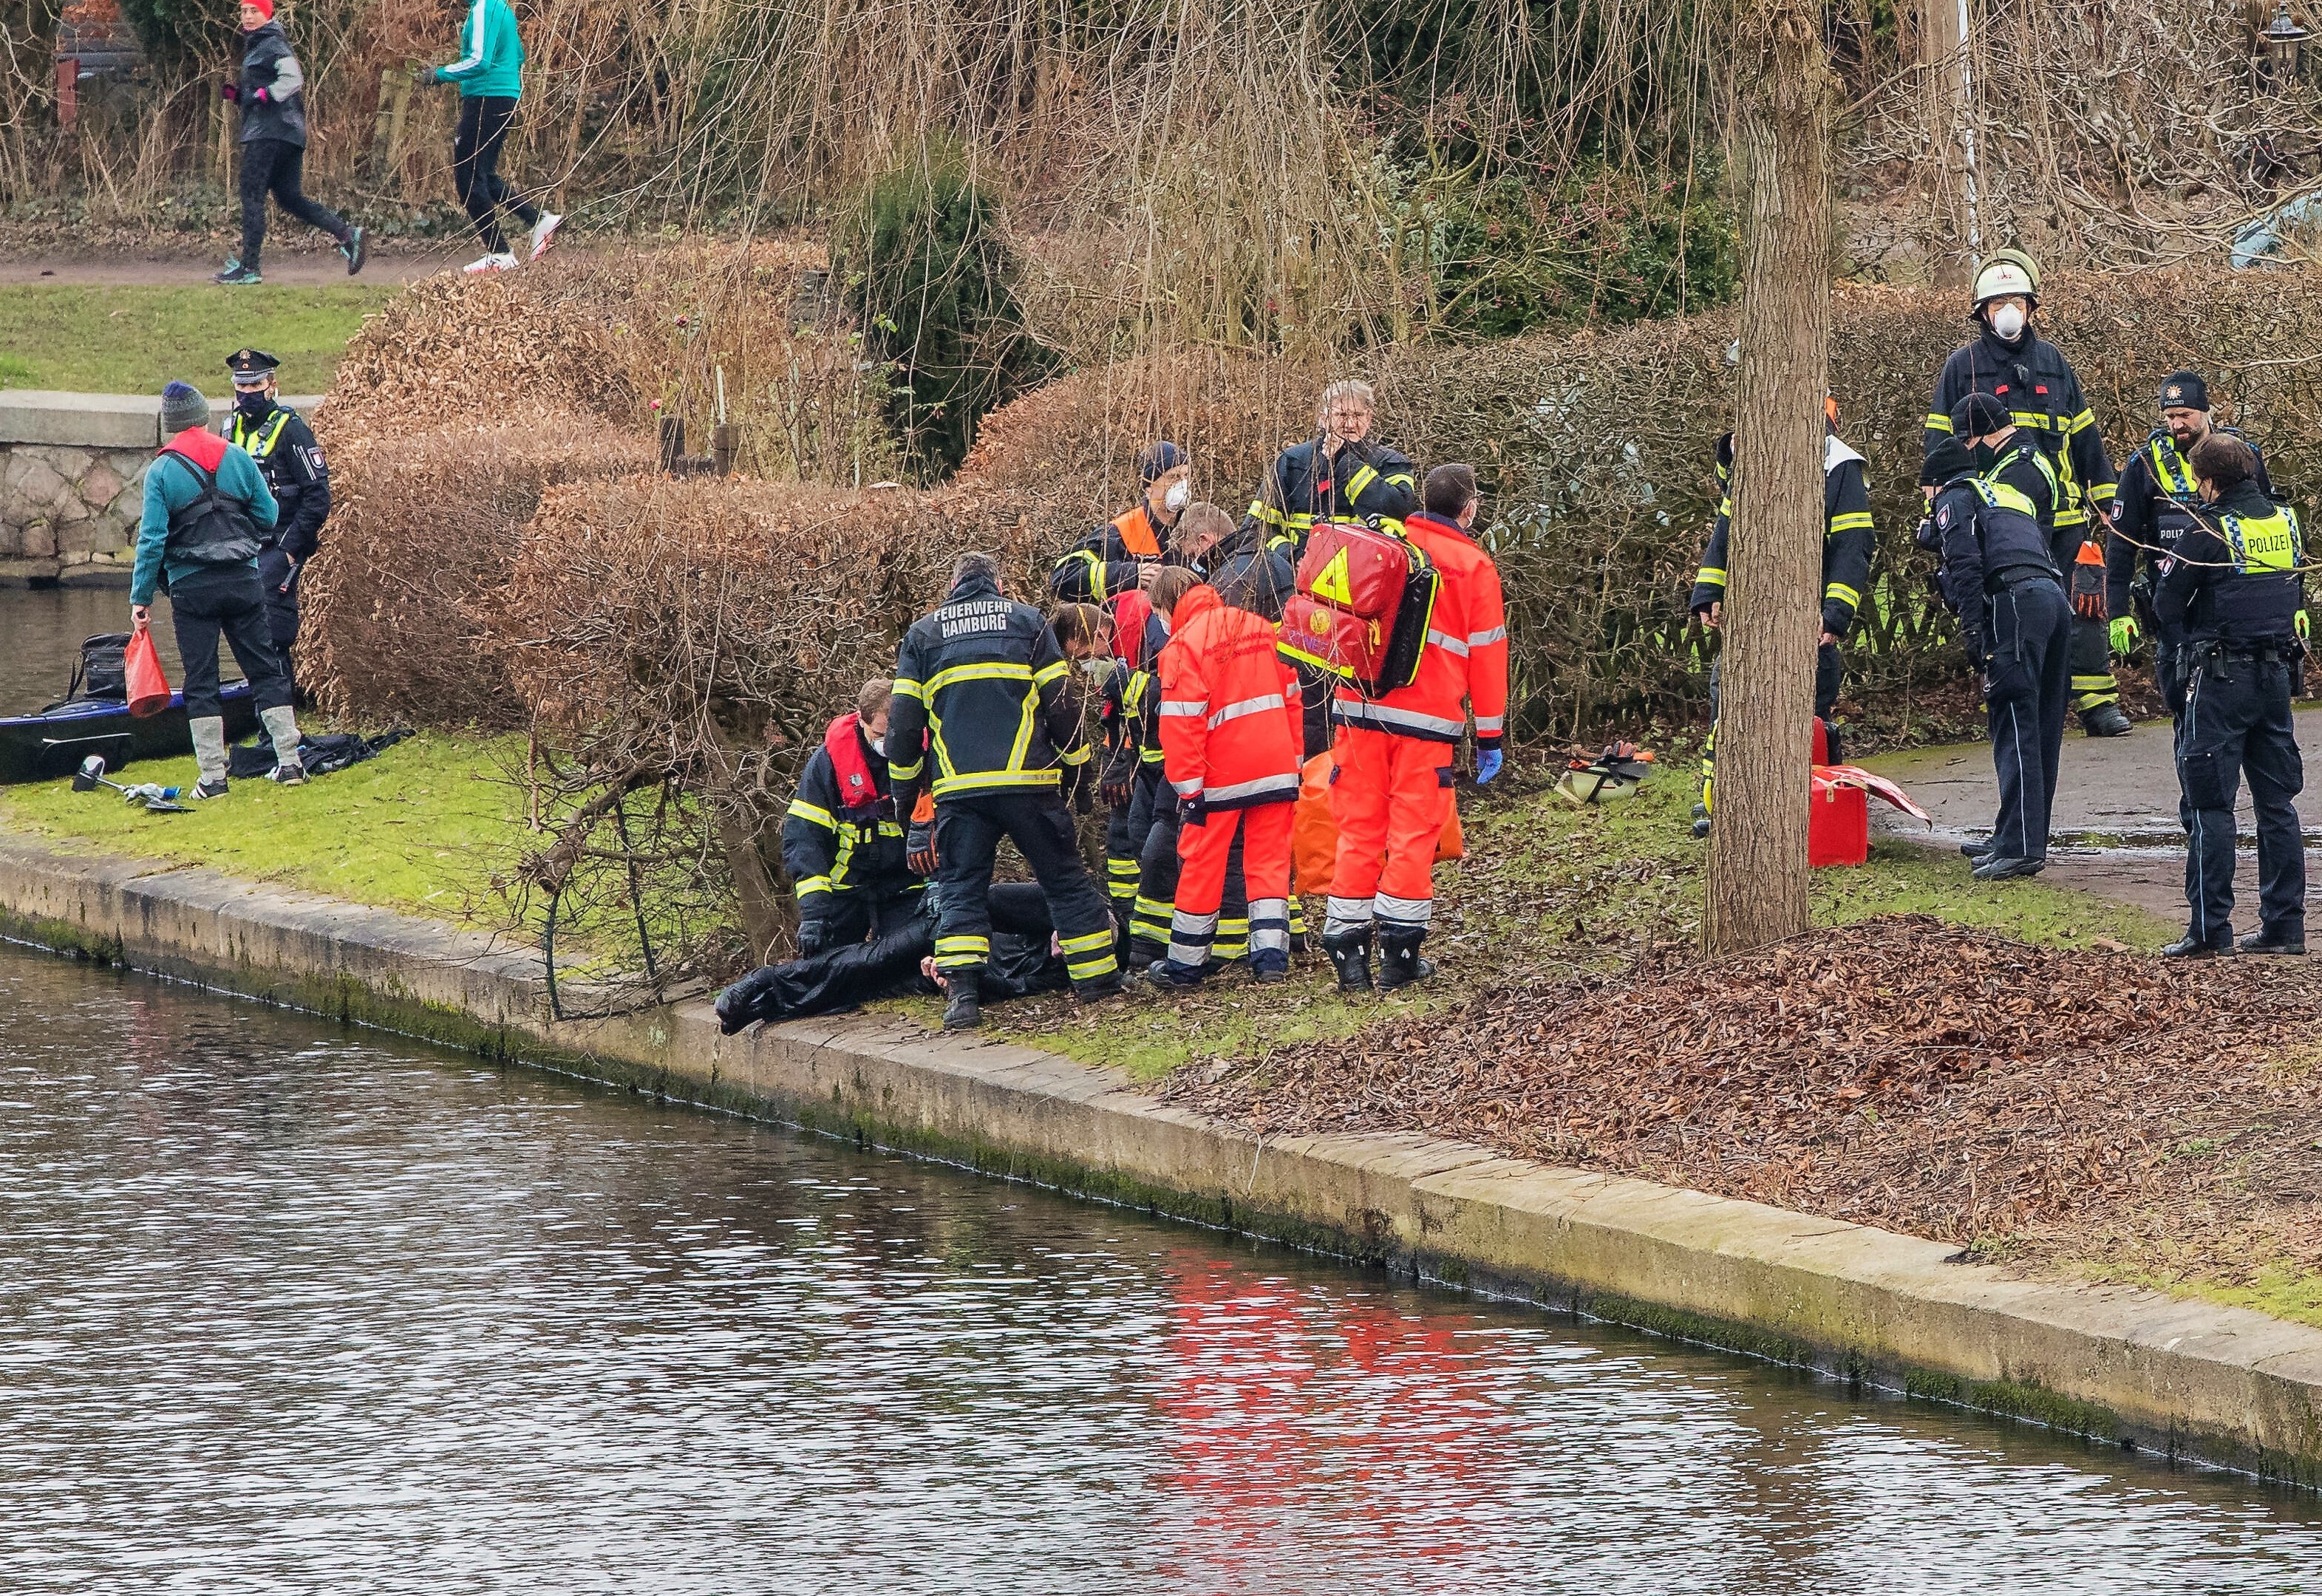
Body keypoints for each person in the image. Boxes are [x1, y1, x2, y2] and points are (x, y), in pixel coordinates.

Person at [886, 551, 1123, 1029]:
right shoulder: (1027, 623)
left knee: (961, 891)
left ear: (953, 586)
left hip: (960, 791)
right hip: (1029, 784)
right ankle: (1098, 984)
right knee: (1065, 882)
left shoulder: (924, 636)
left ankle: (964, 1001)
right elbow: (1062, 706)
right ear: (998, 582)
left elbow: (904, 729)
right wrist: (1078, 778)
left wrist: (904, 796)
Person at [1921, 248, 2126, 736]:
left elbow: (2085, 440)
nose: (2007, 311)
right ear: (1982, 313)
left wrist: (2108, 503)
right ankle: (2028, 700)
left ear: (2031, 307)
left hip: (2064, 516)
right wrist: (1937, 507)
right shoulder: (1962, 367)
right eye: (1996, 303)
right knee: (2016, 608)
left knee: (2084, 603)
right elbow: (1938, 444)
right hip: (2001, 520)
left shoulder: (2053, 364)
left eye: (2015, 300)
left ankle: (2097, 701)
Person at [1323, 464, 1508, 992]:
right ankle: (1399, 956)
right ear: (1468, 508)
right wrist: (1490, 736)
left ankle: (1347, 951)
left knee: (1358, 829)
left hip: (1359, 710)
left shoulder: (1383, 544)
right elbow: (1488, 657)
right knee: (1412, 832)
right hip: (1426, 722)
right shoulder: (1473, 566)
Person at [1686, 402, 1873, 833]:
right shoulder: (1756, 459)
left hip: (1806, 615)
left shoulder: (1839, 468)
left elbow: (1853, 547)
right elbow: (1726, 530)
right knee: (1729, 701)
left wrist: (1834, 615)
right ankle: (1718, 802)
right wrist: (1709, 592)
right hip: (1752, 613)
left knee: (1810, 708)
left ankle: (1813, 802)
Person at [2154, 433, 2307, 958]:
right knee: (2277, 804)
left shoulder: (2207, 529)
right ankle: (2285, 927)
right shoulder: (2285, 522)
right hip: (2276, 678)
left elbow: (2167, 604)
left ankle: (2209, 930)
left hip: (2220, 679)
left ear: (2210, 481)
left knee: (2210, 806)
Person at [129, 383, 307, 796]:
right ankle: (291, 762)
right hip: (245, 582)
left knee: (202, 680)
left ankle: (212, 777)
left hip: (192, 590)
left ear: (170, 424)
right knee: (265, 669)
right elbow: (269, 513)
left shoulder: (161, 471)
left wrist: (141, 598)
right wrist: (246, 542)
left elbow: (152, 539)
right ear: (204, 415)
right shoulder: (238, 456)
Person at [1145, 571, 1304, 989]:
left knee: (1202, 864)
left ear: (1167, 606)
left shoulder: (1182, 647)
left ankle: (1184, 966)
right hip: (1276, 766)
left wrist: (1189, 791)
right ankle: (1271, 959)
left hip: (1220, 777)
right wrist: (1296, 763)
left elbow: (1181, 729)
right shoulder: (1260, 628)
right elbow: (1292, 698)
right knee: (1270, 863)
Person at [1924, 435, 2069, 881]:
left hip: (2013, 602)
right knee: (2042, 725)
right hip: (2052, 598)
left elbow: (1966, 565)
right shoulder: (2004, 492)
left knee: (2014, 720)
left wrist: (1974, 633)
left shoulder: (1954, 496)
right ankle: (2016, 835)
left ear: (1935, 483)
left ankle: (2021, 847)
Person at [1248, 381, 1416, 754]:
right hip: (1302, 602)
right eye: (1341, 414)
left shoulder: (1391, 463)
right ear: (1323, 416)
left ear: (1371, 419)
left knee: (1359, 704)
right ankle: (1313, 786)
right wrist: (1295, 560)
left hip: (1362, 612)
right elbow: (1257, 530)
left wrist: (1348, 465)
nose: (1349, 423)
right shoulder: (1291, 462)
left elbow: (1396, 512)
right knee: (1311, 703)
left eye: (1357, 415)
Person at [2108, 371, 2274, 720]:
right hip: (2175, 608)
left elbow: (2273, 525)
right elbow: (2122, 543)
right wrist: (2118, 611)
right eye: (2170, 417)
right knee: (2186, 714)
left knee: (2253, 715)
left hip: (2239, 606)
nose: (2177, 425)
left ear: (2205, 411)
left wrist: (2295, 600)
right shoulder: (2146, 464)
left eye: (2186, 415)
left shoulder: (2242, 455)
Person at [715, 881, 1065, 1031]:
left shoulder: (1062, 970)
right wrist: (955, 949)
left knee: (868, 989)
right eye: (1067, 941)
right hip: (940, 929)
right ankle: (764, 981)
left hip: (950, 972)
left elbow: (1013, 987)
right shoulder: (1048, 904)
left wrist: (953, 977)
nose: (1060, 950)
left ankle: (768, 1007)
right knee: (866, 962)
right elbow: (979, 899)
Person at [214, 0, 367, 287]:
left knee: (251, 192)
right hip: (288, 134)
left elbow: (293, 79)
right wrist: (241, 97)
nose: (247, 17)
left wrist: (262, 96)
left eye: (254, 11)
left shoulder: (272, 43)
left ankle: (249, 267)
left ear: (267, 14)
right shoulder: (260, 45)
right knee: (289, 198)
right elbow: (264, 89)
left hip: (270, 134)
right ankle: (347, 235)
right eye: (244, 11)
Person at [782, 678, 922, 956]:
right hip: (846, 887)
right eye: (881, 736)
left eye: (895, 734)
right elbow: (805, 837)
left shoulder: (923, 751)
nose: (889, 743)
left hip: (906, 884)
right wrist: (814, 915)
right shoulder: (829, 762)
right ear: (861, 720)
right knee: (827, 964)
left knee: (906, 958)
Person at [219, 348, 328, 683]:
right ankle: (264, 716)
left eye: (256, 385)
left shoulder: (291, 429)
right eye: (242, 386)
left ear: (272, 385)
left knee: (272, 630)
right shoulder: (228, 429)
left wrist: (291, 549)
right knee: (244, 628)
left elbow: (318, 496)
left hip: (279, 544)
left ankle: (281, 721)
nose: (248, 393)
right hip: (241, 545)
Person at [431, 0, 560, 273]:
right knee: (484, 176)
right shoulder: (502, 9)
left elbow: (479, 61)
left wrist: (440, 74)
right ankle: (537, 220)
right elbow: (519, 55)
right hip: (503, 97)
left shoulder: (483, 9)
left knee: (467, 179)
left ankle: (499, 252)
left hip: (486, 98)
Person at [1051, 441, 1194, 606]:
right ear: (1149, 486)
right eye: (1173, 477)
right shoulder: (1121, 532)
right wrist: (1130, 574)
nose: (1182, 484)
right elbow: (1065, 576)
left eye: (1186, 476)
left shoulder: (1199, 528)